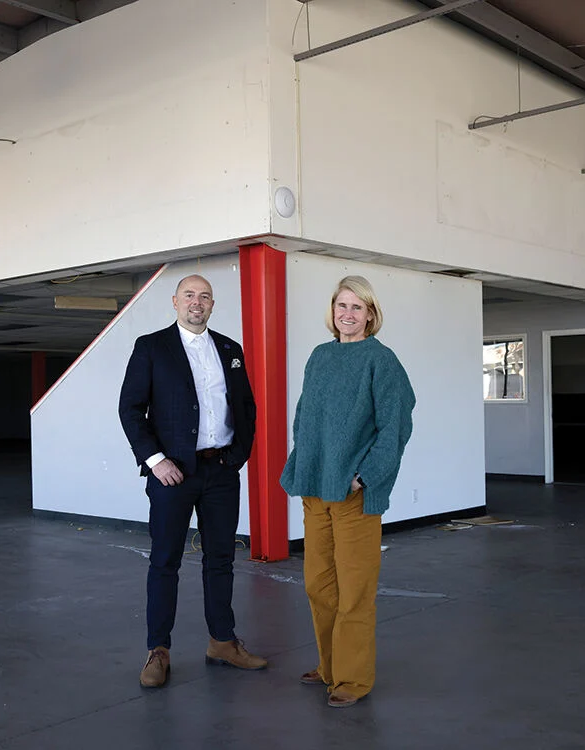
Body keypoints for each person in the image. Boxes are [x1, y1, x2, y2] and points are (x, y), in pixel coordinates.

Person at [119, 274, 267, 689]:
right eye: (189, 295)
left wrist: (237, 457)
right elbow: (130, 409)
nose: (196, 302)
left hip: (220, 471)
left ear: (213, 304)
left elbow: (246, 409)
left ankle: (222, 641)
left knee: (220, 560)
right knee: (165, 562)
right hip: (173, 476)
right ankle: (158, 651)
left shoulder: (229, 349)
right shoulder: (151, 347)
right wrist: (156, 461)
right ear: (175, 302)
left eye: (204, 297)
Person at [279, 275, 415, 708]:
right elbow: (305, 417)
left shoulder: (382, 361)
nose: (348, 314)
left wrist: (365, 476)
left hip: (354, 495)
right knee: (319, 585)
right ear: (332, 310)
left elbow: (396, 427)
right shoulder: (320, 357)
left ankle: (353, 680)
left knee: (355, 591)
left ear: (370, 314)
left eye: (358, 307)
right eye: (342, 305)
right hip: (315, 490)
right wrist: (303, 462)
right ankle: (329, 667)